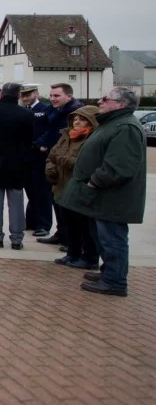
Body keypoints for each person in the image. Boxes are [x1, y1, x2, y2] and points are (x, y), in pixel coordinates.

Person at [61, 88, 146, 297]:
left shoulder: (125, 127)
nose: (100, 101)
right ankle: (108, 273)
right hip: (102, 197)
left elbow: (120, 167)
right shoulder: (112, 123)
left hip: (112, 198)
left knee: (113, 239)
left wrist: (94, 181)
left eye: (106, 99)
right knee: (103, 238)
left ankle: (115, 281)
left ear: (121, 104)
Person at [0, 82, 34, 249]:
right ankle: (17, 238)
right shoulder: (26, 114)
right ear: (18, 95)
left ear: (1, 93)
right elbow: (28, 139)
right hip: (16, 162)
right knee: (16, 201)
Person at [46, 105, 100, 268]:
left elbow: (89, 164)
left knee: (84, 227)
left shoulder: (92, 139)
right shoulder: (65, 136)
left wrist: (64, 161)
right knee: (69, 224)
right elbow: (52, 155)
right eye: (75, 118)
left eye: (82, 119)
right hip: (61, 188)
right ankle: (72, 253)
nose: (77, 122)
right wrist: (50, 168)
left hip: (79, 190)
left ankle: (88, 257)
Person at [36, 83, 84, 246]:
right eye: (51, 96)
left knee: (67, 203)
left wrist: (44, 143)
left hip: (67, 161)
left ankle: (71, 239)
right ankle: (61, 232)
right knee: (56, 198)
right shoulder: (52, 111)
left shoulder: (76, 113)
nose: (52, 99)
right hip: (53, 159)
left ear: (69, 96)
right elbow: (46, 130)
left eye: (57, 96)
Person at [20, 84, 53, 237]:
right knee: (31, 190)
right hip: (26, 156)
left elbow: (50, 130)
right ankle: (32, 221)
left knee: (42, 192)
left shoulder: (45, 109)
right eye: (23, 95)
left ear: (37, 94)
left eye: (28, 94)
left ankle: (44, 224)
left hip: (39, 155)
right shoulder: (24, 110)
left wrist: (40, 143)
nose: (25, 97)